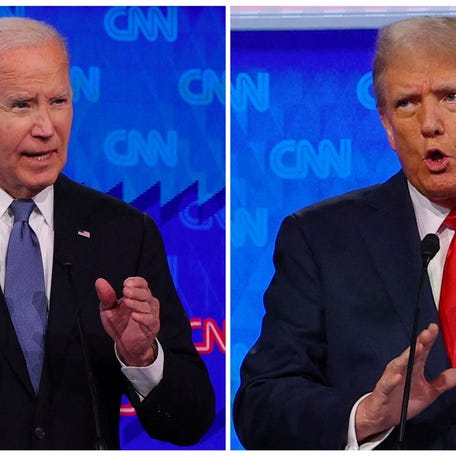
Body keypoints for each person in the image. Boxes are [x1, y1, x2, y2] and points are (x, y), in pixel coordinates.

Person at [233, 16, 456, 450]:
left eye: (452, 96)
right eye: (407, 103)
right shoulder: (320, 238)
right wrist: (365, 414)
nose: (430, 123)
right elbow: (260, 406)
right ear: (388, 126)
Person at [0, 16, 214, 449]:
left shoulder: (123, 232)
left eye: (58, 101)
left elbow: (190, 420)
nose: (46, 127)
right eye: (22, 105)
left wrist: (142, 358)